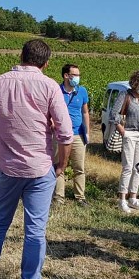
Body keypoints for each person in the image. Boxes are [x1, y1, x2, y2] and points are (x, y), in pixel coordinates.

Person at [0, 39, 73, 279]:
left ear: (21, 56)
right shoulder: (50, 86)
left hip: (8, 167)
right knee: (35, 231)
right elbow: (65, 133)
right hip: (40, 169)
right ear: (46, 63)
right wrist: (61, 165)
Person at [110, 70, 139, 213]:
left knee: (138, 167)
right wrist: (122, 130)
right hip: (130, 132)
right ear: (137, 83)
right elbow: (113, 113)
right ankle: (122, 199)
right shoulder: (125, 95)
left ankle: (133, 197)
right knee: (128, 166)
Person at [53, 63, 90, 207]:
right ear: (66, 76)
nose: (77, 78)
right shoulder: (56, 90)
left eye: (78, 75)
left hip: (78, 135)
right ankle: (58, 198)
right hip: (60, 135)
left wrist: (87, 131)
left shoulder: (82, 91)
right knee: (59, 166)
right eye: (74, 75)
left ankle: (80, 197)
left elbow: (85, 111)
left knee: (79, 167)